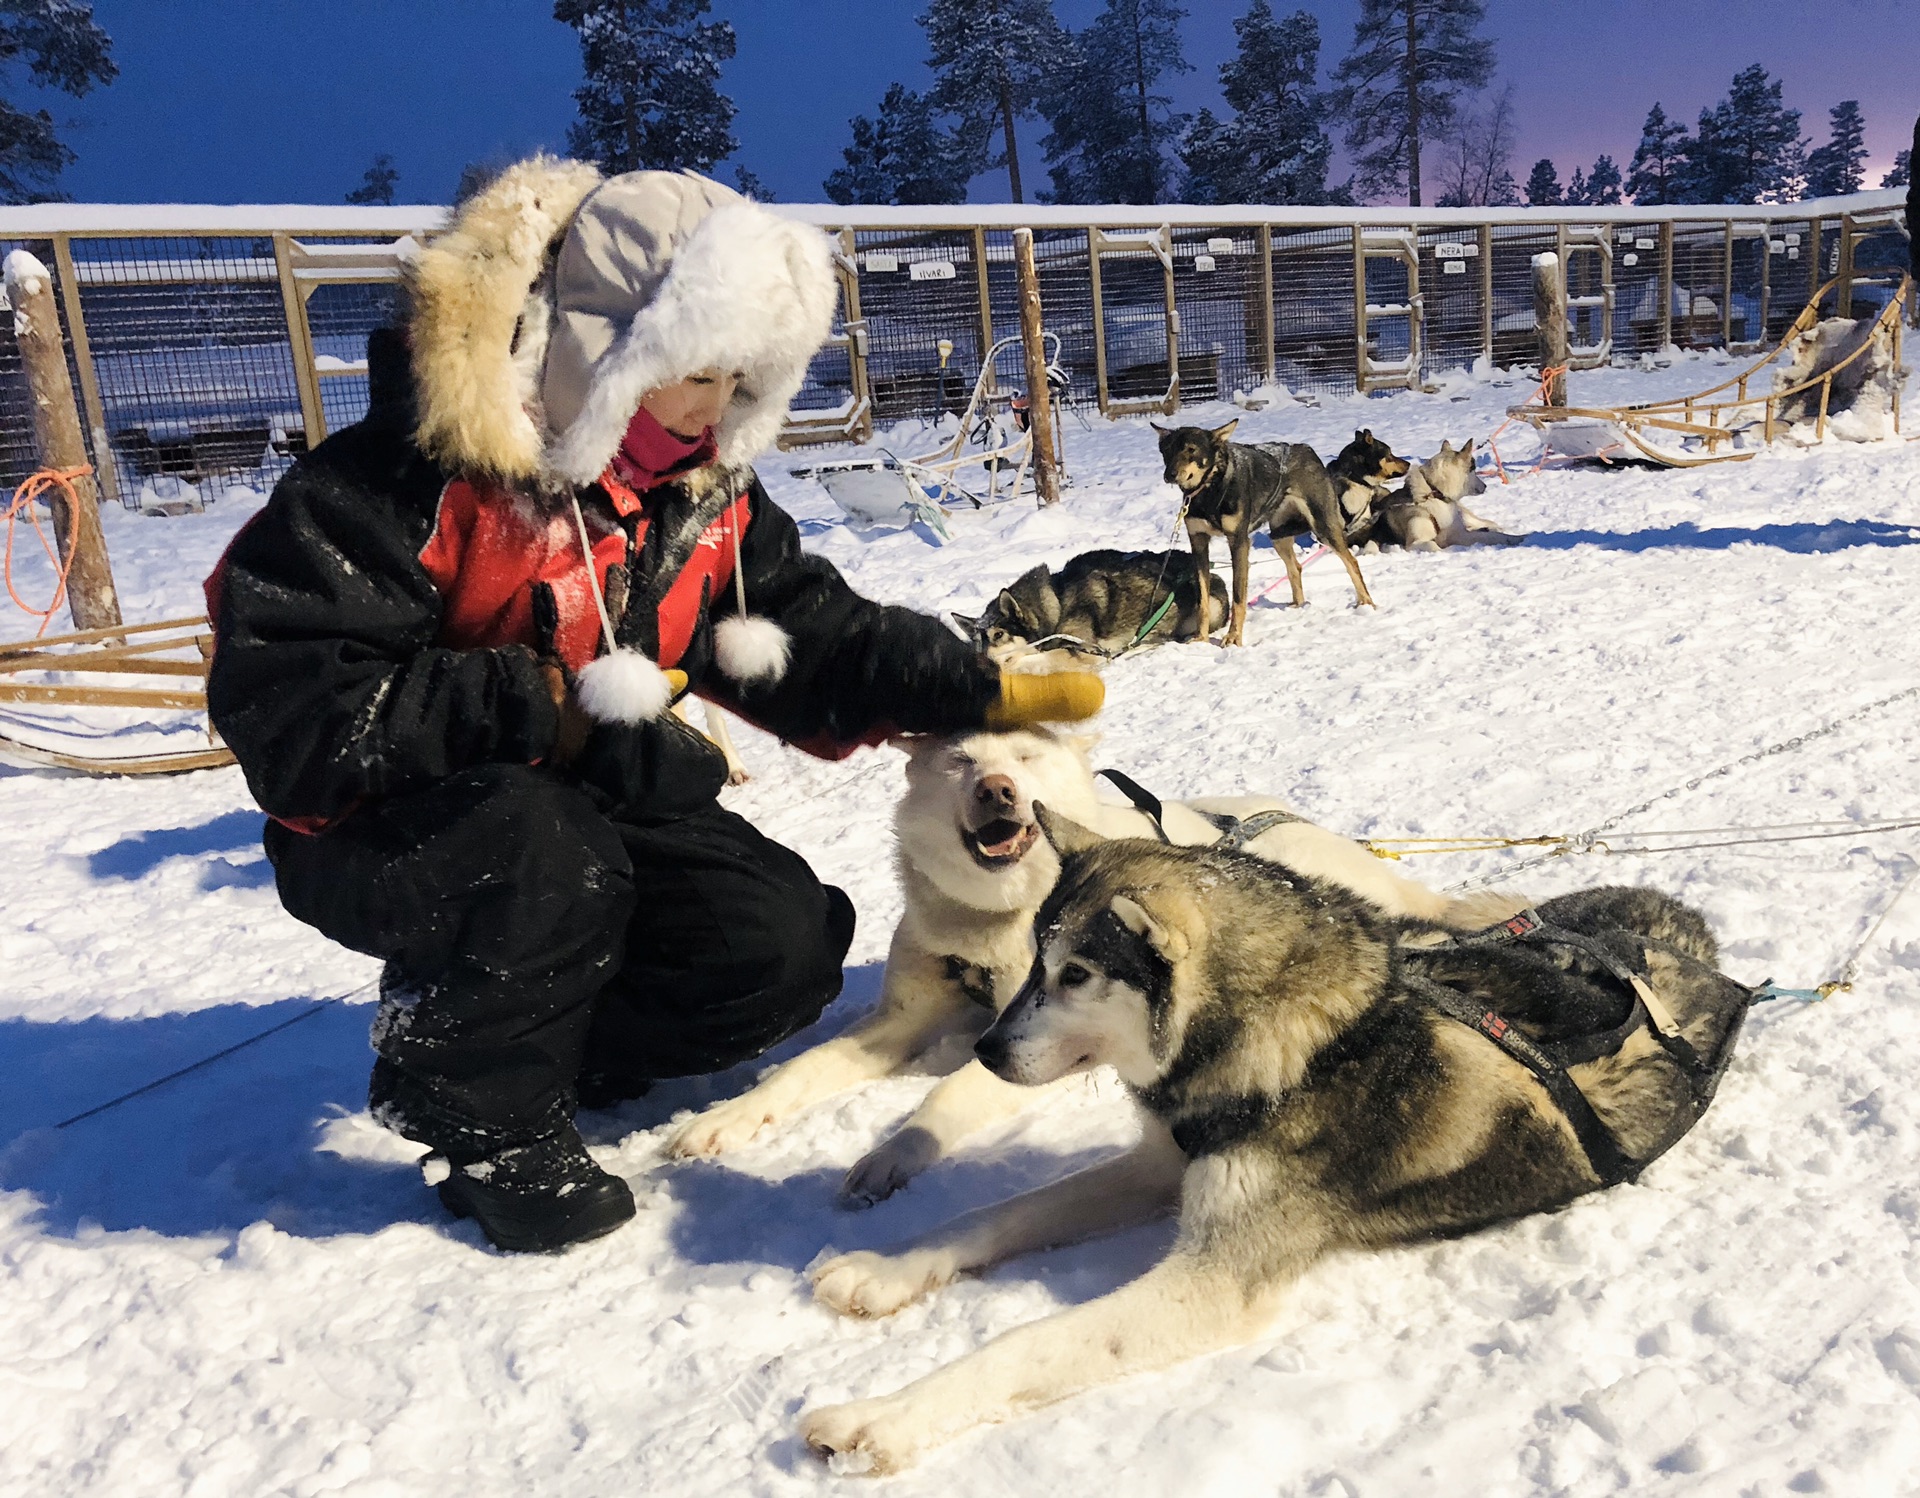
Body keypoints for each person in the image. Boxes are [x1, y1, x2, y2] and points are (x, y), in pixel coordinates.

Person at [205, 159, 1099, 1253]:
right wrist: (540, 703)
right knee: (546, 853)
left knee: (779, 941)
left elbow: (801, 629)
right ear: (603, 343)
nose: (715, 410)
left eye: (739, 380)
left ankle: (567, 1038)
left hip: (581, 794)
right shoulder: (402, 481)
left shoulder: (697, 488)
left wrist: (965, 685)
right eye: (693, 373)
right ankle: (473, 1104)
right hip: (381, 821)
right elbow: (297, 715)